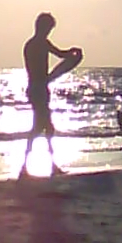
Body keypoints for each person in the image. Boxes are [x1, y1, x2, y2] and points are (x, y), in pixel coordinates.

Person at [21, 12, 82, 176]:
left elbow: (61, 54)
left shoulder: (31, 44)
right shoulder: (39, 44)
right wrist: (74, 54)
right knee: (41, 128)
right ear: (42, 27)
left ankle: (43, 166)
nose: (49, 32)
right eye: (48, 28)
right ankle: (27, 167)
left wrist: (71, 53)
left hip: (36, 88)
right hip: (38, 89)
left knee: (44, 127)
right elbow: (61, 55)